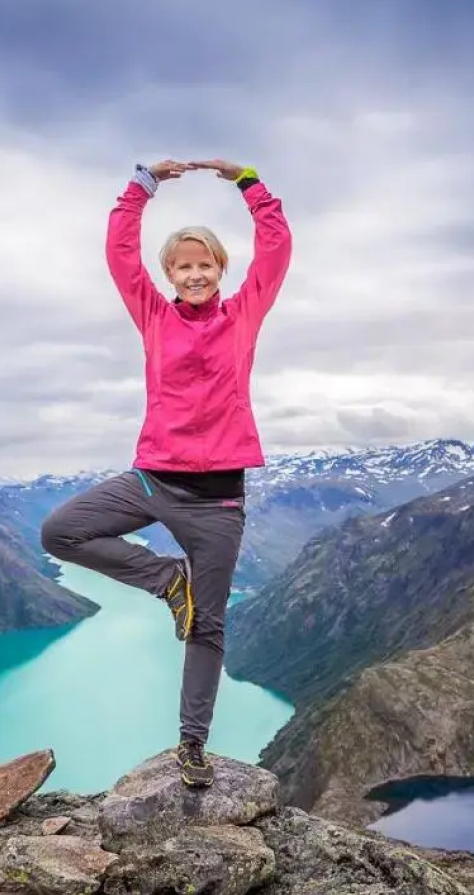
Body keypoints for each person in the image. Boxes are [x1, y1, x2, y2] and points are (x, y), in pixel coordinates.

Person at [39, 157, 292, 788]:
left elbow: (277, 246)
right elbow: (119, 249)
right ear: (169, 275)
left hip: (218, 503)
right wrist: (142, 186)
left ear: (220, 271)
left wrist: (249, 183)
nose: (197, 273)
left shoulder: (245, 314)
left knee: (207, 628)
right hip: (152, 478)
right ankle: (165, 581)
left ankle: (192, 747)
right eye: (184, 265)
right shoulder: (153, 314)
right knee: (61, 532)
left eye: (206, 264)